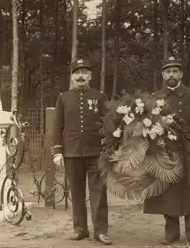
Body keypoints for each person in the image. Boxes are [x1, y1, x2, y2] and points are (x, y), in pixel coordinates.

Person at [143, 56, 190, 246]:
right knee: (168, 191)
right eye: (168, 72)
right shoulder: (155, 97)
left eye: (175, 71)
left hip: (189, 149)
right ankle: (171, 233)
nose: (171, 75)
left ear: (180, 74)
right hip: (166, 150)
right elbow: (149, 127)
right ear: (163, 75)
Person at [51, 59, 112, 246]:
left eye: (84, 72)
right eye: (77, 73)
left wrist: (108, 147)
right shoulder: (64, 97)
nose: (80, 76)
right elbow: (57, 125)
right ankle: (80, 230)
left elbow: (108, 123)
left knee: (99, 193)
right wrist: (57, 151)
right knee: (76, 193)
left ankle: (100, 231)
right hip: (71, 153)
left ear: (90, 76)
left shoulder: (100, 96)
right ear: (71, 76)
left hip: (96, 152)